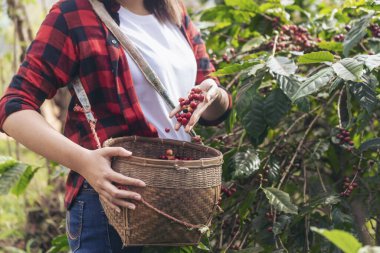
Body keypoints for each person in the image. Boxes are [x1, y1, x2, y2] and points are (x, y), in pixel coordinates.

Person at [0, 0, 232, 252]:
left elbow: (214, 101)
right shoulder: (73, 14)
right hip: (112, 202)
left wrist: (213, 94)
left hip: (177, 201)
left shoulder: (173, 10)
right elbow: (13, 107)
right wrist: (84, 161)